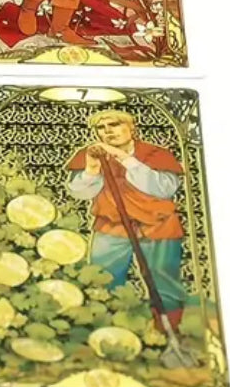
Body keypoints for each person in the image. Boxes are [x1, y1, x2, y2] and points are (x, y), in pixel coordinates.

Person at [67, 109, 186, 326]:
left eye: (114, 125)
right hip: (111, 228)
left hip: (158, 226)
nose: (108, 131)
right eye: (101, 127)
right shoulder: (92, 155)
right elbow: (80, 193)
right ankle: (109, 330)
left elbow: (165, 189)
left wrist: (125, 159)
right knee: (103, 280)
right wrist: (92, 169)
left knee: (164, 283)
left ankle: (168, 331)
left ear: (132, 127)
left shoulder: (156, 154)